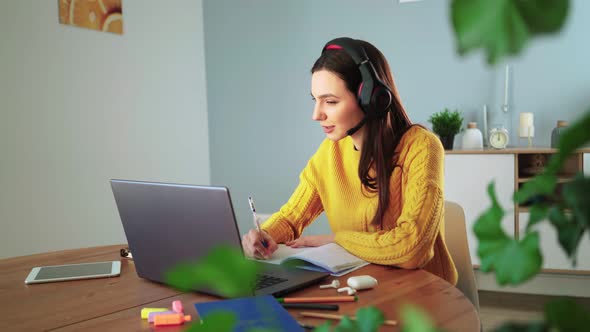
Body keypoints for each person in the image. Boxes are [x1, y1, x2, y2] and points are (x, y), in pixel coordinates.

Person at [241, 37, 457, 285]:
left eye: (330, 101)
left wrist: (338, 238)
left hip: (425, 296)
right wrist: (264, 235)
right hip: (362, 288)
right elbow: (291, 218)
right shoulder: (329, 153)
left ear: (372, 99)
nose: (316, 115)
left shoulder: (421, 147)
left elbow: (411, 247)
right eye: (315, 100)